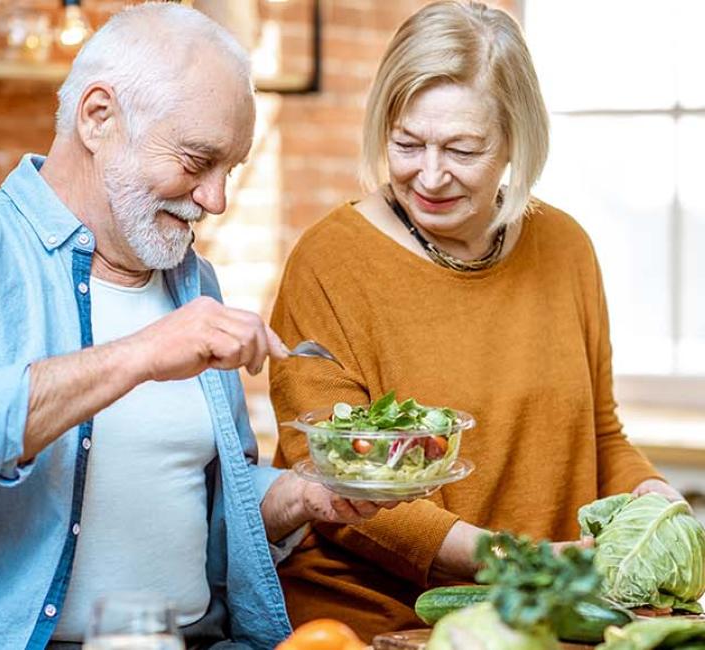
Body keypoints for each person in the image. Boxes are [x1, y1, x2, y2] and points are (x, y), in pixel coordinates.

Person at [0, 4, 395, 649]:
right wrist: (140, 353)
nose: (216, 199)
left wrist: (302, 497)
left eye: (232, 170)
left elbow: (196, 514)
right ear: (98, 116)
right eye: (197, 160)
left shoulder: (191, 283)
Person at [268, 0, 686, 642]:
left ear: (518, 141)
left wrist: (657, 501)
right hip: (373, 626)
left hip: (536, 619)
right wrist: (511, 560)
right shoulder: (330, 261)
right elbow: (331, 478)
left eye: (462, 149)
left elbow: (599, 435)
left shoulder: (566, 247)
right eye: (406, 144)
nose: (429, 175)